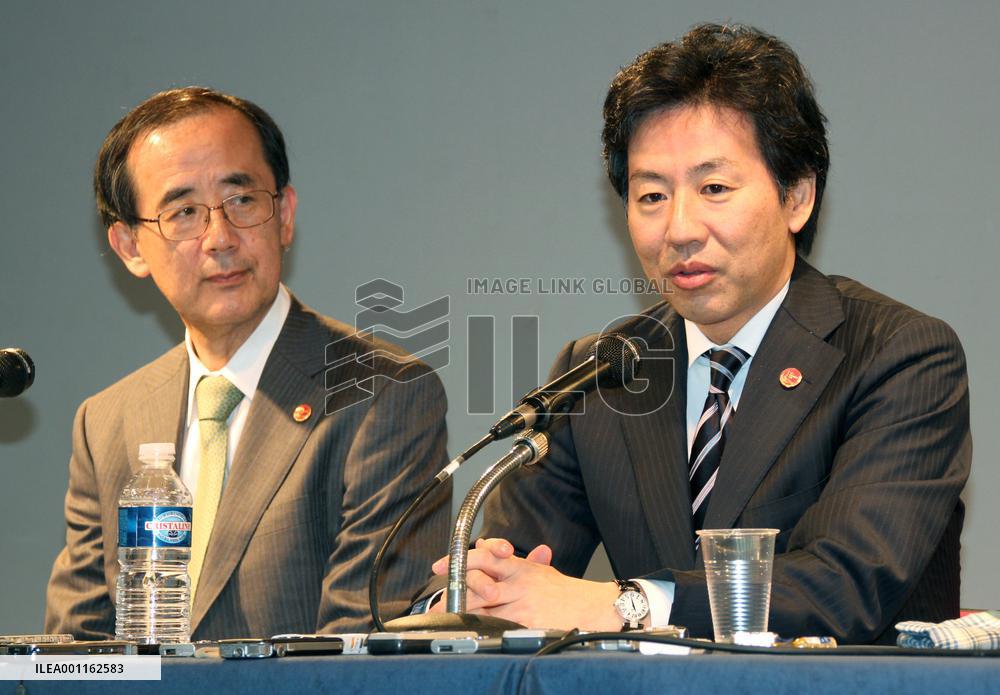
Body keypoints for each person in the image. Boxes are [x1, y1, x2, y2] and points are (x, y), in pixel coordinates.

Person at [433, 23, 971, 644]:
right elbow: (518, 571)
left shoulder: (899, 355)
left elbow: (845, 588)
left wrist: (625, 605)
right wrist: (470, 592)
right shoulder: (603, 372)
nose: (680, 228)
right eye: (651, 195)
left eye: (713, 188)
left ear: (796, 197)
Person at [46, 87, 450, 640]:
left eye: (242, 201)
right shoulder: (107, 421)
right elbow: (78, 654)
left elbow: (354, 654)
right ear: (130, 247)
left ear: (283, 214)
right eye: (183, 212)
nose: (220, 238)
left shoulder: (382, 393)